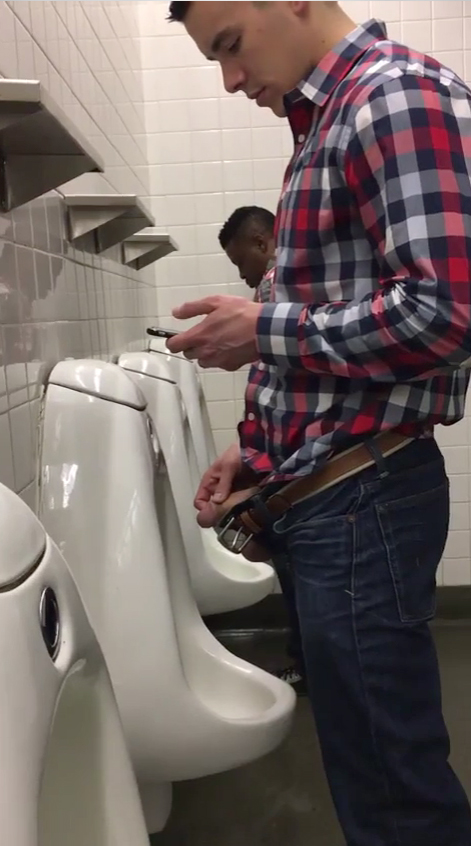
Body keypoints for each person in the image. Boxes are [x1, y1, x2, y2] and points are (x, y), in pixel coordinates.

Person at [166, 3, 471, 844]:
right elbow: (334, 318)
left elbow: (446, 315)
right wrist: (255, 450)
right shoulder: (330, 119)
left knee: (391, 789)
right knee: (372, 770)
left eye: (230, 45)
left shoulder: (393, 97)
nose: (230, 80)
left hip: (362, 503)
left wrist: (262, 329)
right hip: (337, 496)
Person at [220, 205, 307, 695]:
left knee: (296, 572)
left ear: (261, 243)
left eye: (240, 261)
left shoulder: (274, 286)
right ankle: (311, 663)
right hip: (287, 455)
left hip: (289, 460)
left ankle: (309, 665)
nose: (241, 274)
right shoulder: (284, 285)